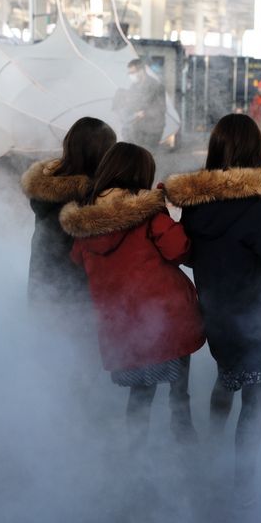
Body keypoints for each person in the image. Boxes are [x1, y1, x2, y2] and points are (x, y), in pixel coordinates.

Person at [163, 113, 261, 505]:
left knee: (227, 377)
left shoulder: (197, 205)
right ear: (256, 150)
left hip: (217, 313)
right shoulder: (259, 205)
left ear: (215, 150)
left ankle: (212, 454)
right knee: (255, 399)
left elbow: (190, 254)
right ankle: (242, 485)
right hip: (257, 321)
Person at [59, 143, 205, 449]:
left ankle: (134, 460)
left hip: (125, 324)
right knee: (179, 390)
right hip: (167, 317)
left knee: (141, 393)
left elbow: (77, 259)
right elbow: (179, 250)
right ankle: (187, 446)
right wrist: (166, 212)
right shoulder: (149, 214)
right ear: (140, 175)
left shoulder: (86, 222)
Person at [21, 117, 117, 303]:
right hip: (79, 300)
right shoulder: (91, 196)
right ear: (101, 153)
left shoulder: (49, 188)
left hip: (43, 290)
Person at [117, 59, 167, 151]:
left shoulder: (156, 86)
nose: (131, 75)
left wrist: (144, 113)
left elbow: (161, 109)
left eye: (133, 72)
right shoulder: (134, 86)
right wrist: (123, 101)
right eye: (129, 73)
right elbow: (132, 105)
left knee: (146, 155)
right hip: (138, 127)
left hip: (153, 130)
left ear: (142, 71)